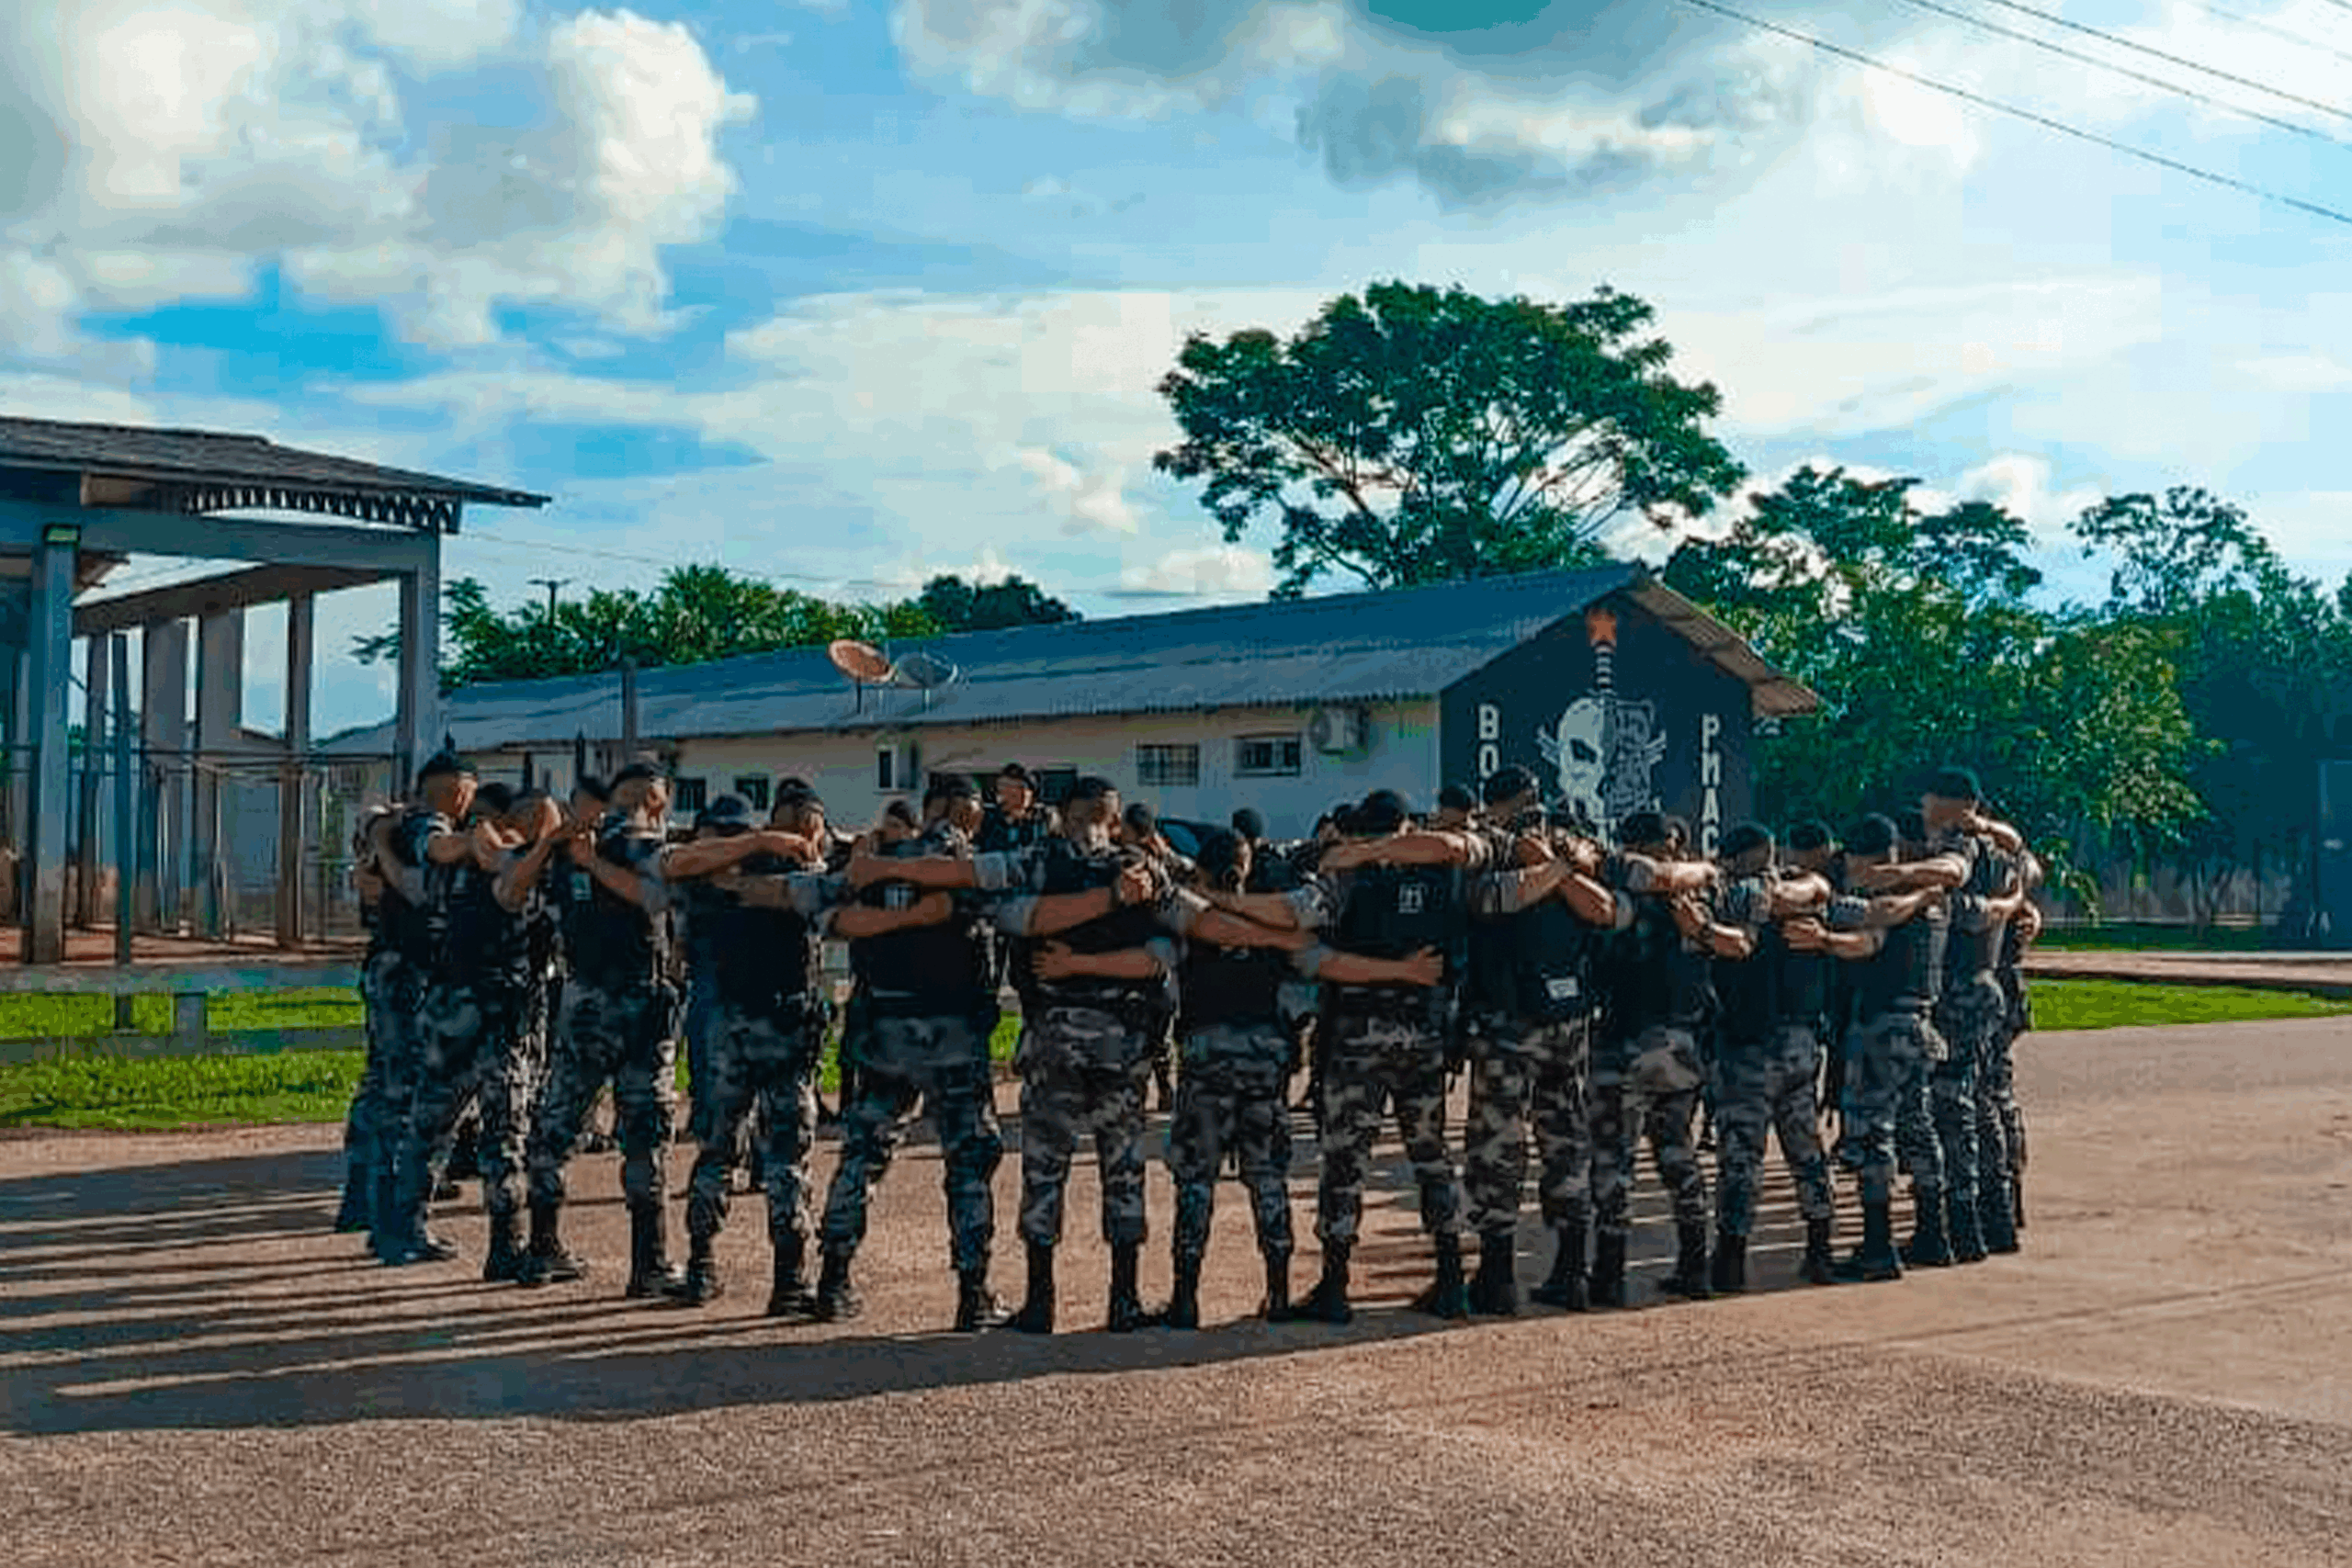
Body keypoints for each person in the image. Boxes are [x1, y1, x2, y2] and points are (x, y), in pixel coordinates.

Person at [853, 775, 1174, 1334]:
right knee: (1122, 1170)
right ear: (1113, 819)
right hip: (1123, 1047)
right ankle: (1123, 1300)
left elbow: (967, 877)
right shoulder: (1145, 874)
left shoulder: (1037, 861)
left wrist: (885, 869)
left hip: (1052, 1040)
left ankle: (1040, 1302)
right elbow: (1167, 950)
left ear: (1064, 814)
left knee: (1045, 1170)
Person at [1287, 789, 1494, 1325]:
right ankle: (1450, 1281)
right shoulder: (1447, 872)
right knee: (1431, 1159)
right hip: (1423, 1034)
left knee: (1343, 1161)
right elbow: (1469, 852)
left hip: (1357, 1033)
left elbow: (1311, 946)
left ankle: (1334, 1286)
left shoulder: (1348, 874)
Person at [819, 774, 1011, 1331]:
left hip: (885, 1028)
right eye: (969, 817)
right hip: (950, 1031)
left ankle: (833, 1278)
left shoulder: (873, 864)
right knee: (968, 1162)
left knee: (863, 1153)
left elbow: (831, 916)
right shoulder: (964, 866)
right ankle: (973, 1292)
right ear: (948, 812)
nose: (972, 828)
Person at [520, 761, 689, 1297]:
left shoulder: (564, 846)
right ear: (655, 801)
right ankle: (649, 1264)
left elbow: (536, 905)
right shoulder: (638, 844)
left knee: (558, 1122)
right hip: (637, 1000)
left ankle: (541, 1246)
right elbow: (659, 897)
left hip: (581, 999)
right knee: (644, 1132)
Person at [659, 795, 834, 1310]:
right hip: (782, 1024)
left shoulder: (716, 875)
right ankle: (789, 1279)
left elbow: (679, 871)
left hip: (730, 1025)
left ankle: (701, 1266)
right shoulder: (802, 874)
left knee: (717, 1150)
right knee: (786, 1156)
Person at [1461, 766, 1619, 1314]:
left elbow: (1498, 902)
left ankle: (1499, 1278)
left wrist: (1545, 866)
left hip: (1512, 1023)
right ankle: (1571, 1273)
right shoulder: (1574, 852)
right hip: (1568, 1023)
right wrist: (1563, 867)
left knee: (1498, 1146)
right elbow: (1600, 908)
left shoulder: (1504, 851)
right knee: (1566, 1142)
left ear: (1494, 806)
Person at [1784, 813, 1960, 1282]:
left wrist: (1823, 939)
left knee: (1870, 1135)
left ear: (1869, 859)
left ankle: (1879, 1247)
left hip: (1881, 1023)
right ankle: (1932, 1233)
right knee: (1918, 1127)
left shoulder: (1893, 897)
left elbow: (1867, 940)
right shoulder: (1934, 898)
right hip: (1920, 1022)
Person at [1159, 829, 1323, 1326]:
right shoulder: (1271, 911)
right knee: (1268, 1178)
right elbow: (1305, 956)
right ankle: (1277, 1293)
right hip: (1264, 1053)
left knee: (1195, 1181)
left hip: (1206, 1050)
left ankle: (1186, 1298)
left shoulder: (1190, 913)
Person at [1588, 811, 1745, 1306]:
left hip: (1624, 1042)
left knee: (1615, 1163)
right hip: (1682, 1044)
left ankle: (1610, 1277)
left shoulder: (1626, 895)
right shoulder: (1702, 898)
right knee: (1678, 1156)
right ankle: (1694, 1267)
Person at [1707, 822, 1838, 1291]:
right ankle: (1820, 1249)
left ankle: (1730, 1258)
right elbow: (1817, 887)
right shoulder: (1802, 891)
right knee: (1806, 1151)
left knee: (1741, 1156)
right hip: (1799, 1043)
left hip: (1749, 1046)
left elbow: (1746, 902)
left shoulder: (1732, 893)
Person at [1921, 769, 2030, 1265]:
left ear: (1953, 804)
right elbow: (2028, 875)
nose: (1924, 810)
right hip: (1987, 985)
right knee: (1984, 1101)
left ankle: (1964, 1224)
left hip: (1961, 988)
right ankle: (1999, 1215)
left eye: (1930, 802)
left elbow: (1961, 910)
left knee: (1954, 1106)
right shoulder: (2005, 852)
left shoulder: (1961, 848)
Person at [334, 800, 413, 1235]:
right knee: (392, 1087)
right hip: (396, 977)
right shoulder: (376, 868)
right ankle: (375, 1194)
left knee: (381, 1083)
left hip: (388, 973)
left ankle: (363, 1191)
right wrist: (385, 839)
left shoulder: (375, 863)